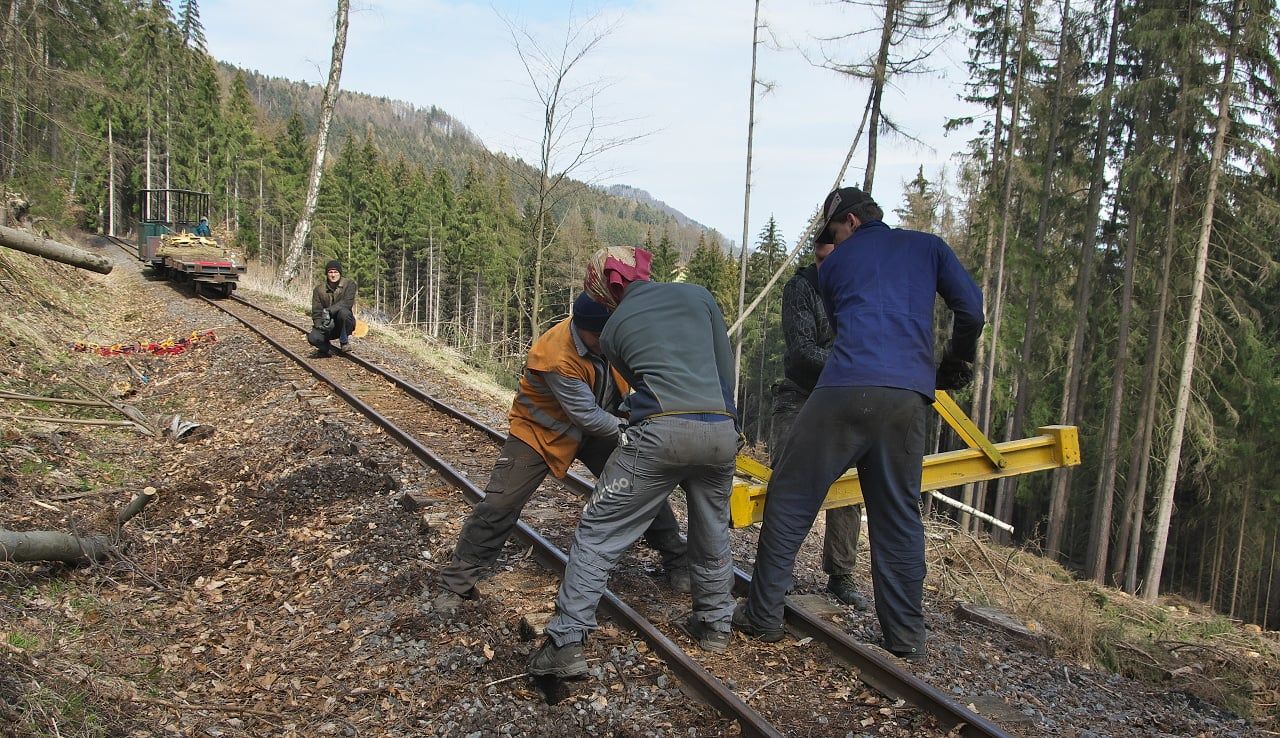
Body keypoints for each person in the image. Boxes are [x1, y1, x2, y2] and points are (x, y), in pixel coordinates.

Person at [736, 187, 984, 663]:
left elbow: (850, 324)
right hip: (910, 397)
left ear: (849, 222)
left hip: (843, 387)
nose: (832, 240)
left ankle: (763, 616)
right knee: (897, 516)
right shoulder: (929, 246)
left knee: (791, 497)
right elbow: (971, 311)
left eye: (833, 231)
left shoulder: (834, 267)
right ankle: (905, 638)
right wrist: (955, 361)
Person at [528, 247, 740, 678]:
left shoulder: (613, 329)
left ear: (603, 288)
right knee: (712, 525)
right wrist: (726, 421)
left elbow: (637, 385)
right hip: (720, 430)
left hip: (660, 432)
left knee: (598, 531)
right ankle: (716, 624)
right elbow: (723, 365)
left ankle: (566, 642)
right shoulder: (699, 296)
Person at [433, 292, 689, 613]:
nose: (608, 342)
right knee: (501, 501)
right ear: (584, 330)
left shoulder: (613, 338)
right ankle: (457, 582)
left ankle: (677, 559)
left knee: (639, 485)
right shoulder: (555, 354)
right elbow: (587, 416)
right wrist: (634, 433)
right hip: (542, 431)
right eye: (601, 337)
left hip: (601, 426)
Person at [771, 230, 868, 611]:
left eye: (836, 257)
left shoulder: (860, 288)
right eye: (823, 258)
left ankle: (841, 574)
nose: (829, 266)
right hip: (801, 393)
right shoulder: (801, 288)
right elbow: (803, 351)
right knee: (787, 480)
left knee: (848, 487)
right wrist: (857, 362)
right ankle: (777, 568)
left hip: (845, 395)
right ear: (816, 254)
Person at [308, 260, 357, 357]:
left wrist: (329, 311)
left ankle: (344, 342)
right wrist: (320, 326)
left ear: (340, 273)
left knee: (344, 312)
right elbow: (316, 312)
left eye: (336, 272)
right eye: (330, 272)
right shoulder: (319, 290)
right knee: (313, 338)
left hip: (343, 323)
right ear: (327, 274)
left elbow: (347, 303)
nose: (333, 275)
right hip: (327, 324)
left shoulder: (349, 284)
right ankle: (326, 348)